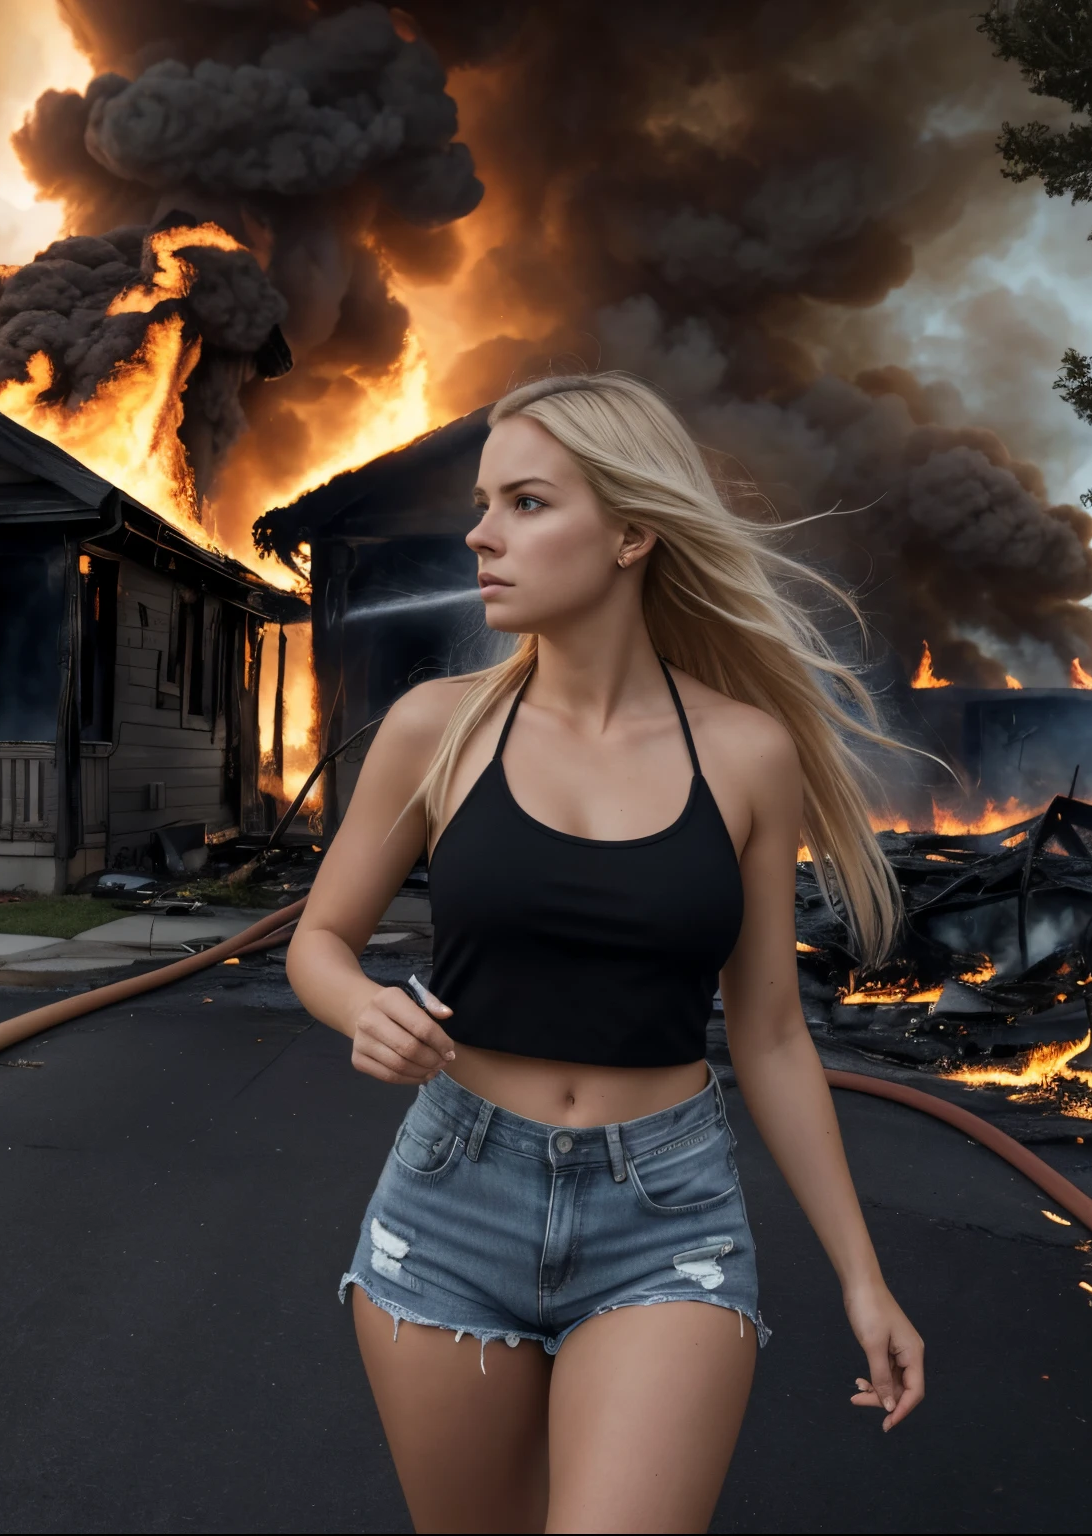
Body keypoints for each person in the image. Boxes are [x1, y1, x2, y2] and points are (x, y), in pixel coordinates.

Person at [285, 372, 925, 1532]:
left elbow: (770, 1030)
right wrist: (358, 1007)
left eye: (525, 502)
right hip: (447, 1204)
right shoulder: (438, 726)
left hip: (665, 1218)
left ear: (633, 531)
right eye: (482, 503)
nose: (479, 532)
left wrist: (860, 1274)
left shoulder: (745, 753)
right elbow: (318, 942)